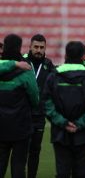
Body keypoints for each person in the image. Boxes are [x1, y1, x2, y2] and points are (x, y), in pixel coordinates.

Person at [43, 41, 85, 178]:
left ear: (66, 55)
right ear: (83, 57)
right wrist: (80, 123)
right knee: (82, 173)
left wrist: (63, 122)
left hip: (60, 134)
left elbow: (46, 103)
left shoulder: (53, 76)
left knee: (62, 173)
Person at [0, 34, 39, 178]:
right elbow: (35, 97)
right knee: (18, 167)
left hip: (1, 126)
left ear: (4, 46)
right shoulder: (26, 70)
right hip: (20, 126)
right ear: (19, 48)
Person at [23, 34, 55, 178]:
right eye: (36, 47)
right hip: (22, 114)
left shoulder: (48, 65)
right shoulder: (22, 62)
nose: (38, 50)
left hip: (39, 116)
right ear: (30, 47)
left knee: (35, 150)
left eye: (42, 47)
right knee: (21, 150)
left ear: (45, 48)